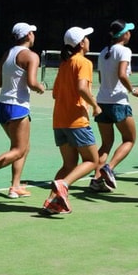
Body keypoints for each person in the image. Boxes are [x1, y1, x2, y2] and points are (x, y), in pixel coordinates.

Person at [0, 22, 45, 199]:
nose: (34, 35)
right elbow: (32, 82)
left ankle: (15, 186)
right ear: (28, 35)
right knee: (19, 150)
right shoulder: (31, 56)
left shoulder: (8, 53)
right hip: (17, 106)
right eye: (32, 32)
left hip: (2, 106)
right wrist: (41, 87)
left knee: (22, 147)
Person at [45, 26, 101, 215]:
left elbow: (54, 94)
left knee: (69, 164)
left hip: (59, 121)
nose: (88, 40)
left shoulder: (64, 64)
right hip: (76, 121)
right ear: (81, 43)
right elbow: (82, 88)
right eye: (86, 37)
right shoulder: (83, 62)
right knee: (92, 160)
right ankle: (64, 185)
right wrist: (95, 105)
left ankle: (53, 201)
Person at [92, 19, 138, 192]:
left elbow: (101, 78)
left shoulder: (103, 52)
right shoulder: (125, 51)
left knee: (106, 144)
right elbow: (121, 74)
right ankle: (109, 168)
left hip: (102, 102)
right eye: (128, 31)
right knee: (129, 139)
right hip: (118, 103)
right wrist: (133, 90)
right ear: (124, 35)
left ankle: (97, 179)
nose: (130, 34)